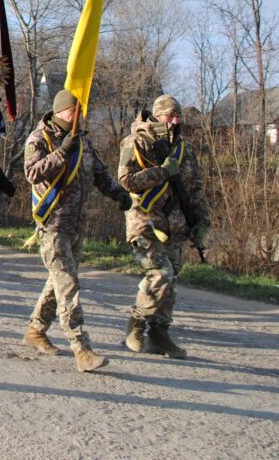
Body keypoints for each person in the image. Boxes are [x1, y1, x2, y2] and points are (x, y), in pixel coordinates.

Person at [22, 89, 131, 372]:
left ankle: (35, 330)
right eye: (74, 111)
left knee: (58, 282)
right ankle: (82, 349)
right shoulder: (39, 139)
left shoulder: (82, 140)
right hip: (53, 225)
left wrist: (117, 193)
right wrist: (62, 152)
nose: (78, 116)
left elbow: (99, 173)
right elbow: (33, 173)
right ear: (60, 112)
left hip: (77, 225)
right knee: (68, 287)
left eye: (80, 112)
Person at [117, 94, 209, 359]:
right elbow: (126, 181)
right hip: (145, 222)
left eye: (178, 116)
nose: (175, 121)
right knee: (160, 274)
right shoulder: (136, 142)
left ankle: (159, 334)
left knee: (171, 283)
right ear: (157, 116)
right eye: (170, 116)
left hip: (175, 224)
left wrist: (201, 222)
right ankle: (136, 323)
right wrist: (163, 172)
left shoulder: (183, 148)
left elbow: (194, 188)